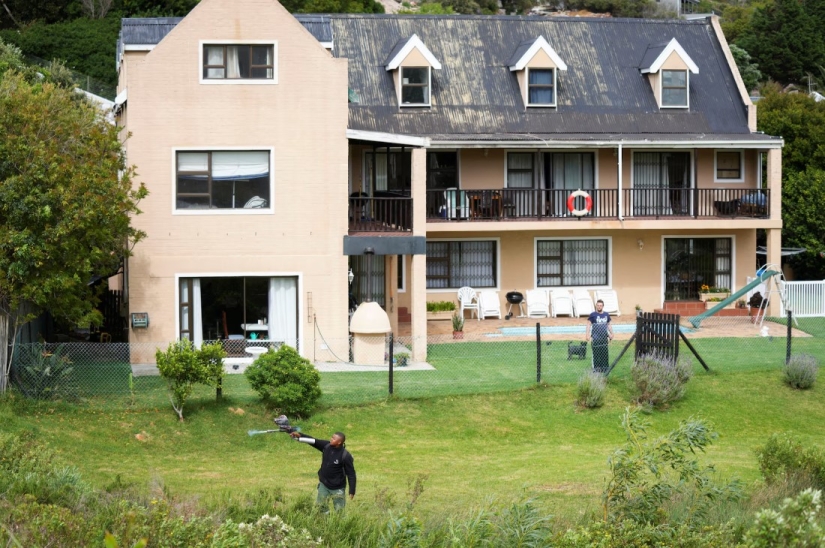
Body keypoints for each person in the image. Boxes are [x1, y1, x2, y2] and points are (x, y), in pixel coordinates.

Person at [290, 430, 356, 512]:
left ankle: (340, 523)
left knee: (339, 510)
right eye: (332, 437)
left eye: (334, 439)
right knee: (321, 507)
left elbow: (351, 474)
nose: (331, 439)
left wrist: (352, 490)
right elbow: (313, 441)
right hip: (324, 484)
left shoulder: (345, 456)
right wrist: (299, 435)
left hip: (337, 487)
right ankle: (324, 521)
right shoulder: (326, 446)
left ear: (339, 442)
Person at [586, 299, 614, 374]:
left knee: (604, 354)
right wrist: (587, 334)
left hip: (604, 338)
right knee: (596, 354)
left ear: (603, 306)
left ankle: (605, 369)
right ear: (596, 306)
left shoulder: (606, 315)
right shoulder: (593, 315)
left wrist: (612, 334)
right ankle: (596, 369)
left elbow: (608, 324)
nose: (599, 307)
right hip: (595, 338)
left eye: (600, 305)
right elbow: (588, 324)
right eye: (598, 305)